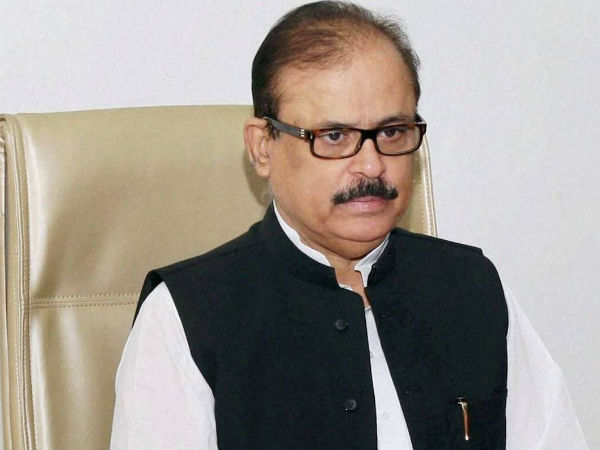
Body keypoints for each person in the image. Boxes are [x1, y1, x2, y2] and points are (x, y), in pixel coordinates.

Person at [110, 2, 588, 449]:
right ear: (263, 146)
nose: (372, 165)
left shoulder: (471, 286)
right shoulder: (185, 315)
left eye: (392, 132)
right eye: (335, 136)